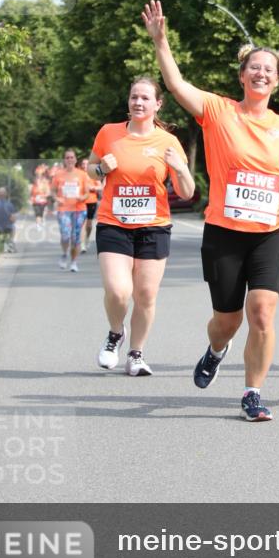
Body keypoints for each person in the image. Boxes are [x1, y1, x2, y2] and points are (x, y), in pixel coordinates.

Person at [142, 0, 279, 422]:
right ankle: (216, 349)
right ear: (242, 75)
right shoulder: (217, 110)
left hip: (269, 233)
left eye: (269, 70)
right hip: (225, 234)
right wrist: (161, 42)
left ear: (276, 81)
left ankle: (252, 392)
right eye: (254, 67)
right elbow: (175, 85)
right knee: (226, 322)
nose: (261, 73)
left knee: (262, 312)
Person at [87, 76, 196, 375]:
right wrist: (101, 169)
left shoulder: (168, 142)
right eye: (134, 97)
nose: (138, 102)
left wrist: (180, 168)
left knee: (146, 295)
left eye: (145, 98)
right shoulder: (109, 133)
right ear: (128, 101)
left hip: (154, 226)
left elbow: (187, 191)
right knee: (118, 291)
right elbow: (90, 171)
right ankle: (114, 334)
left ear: (157, 104)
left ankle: (136, 354)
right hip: (114, 223)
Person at [51, 151, 89, 272]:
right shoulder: (58, 175)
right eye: (67, 157)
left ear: (75, 159)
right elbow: (52, 191)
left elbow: (87, 193)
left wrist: (81, 198)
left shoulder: (82, 174)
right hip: (64, 209)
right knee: (66, 235)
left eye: (72, 157)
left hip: (79, 209)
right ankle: (64, 254)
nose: (69, 159)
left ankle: (73, 262)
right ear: (64, 160)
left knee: (76, 238)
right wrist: (57, 198)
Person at [79, 158, 102, 252]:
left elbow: (101, 186)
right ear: (81, 165)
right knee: (82, 224)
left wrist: (93, 187)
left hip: (91, 201)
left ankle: (87, 239)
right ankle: (82, 244)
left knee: (89, 224)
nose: (84, 165)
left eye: (86, 164)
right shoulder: (79, 175)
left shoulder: (92, 174)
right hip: (81, 202)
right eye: (83, 164)